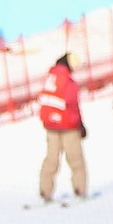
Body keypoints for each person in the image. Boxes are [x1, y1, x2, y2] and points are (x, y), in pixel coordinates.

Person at [35, 53, 88, 202]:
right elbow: (72, 106)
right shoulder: (68, 82)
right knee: (75, 158)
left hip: (51, 125)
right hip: (68, 126)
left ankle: (45, 191)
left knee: (51, 159)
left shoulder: (50, 77)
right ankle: (80, 189)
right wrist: (80, 125)